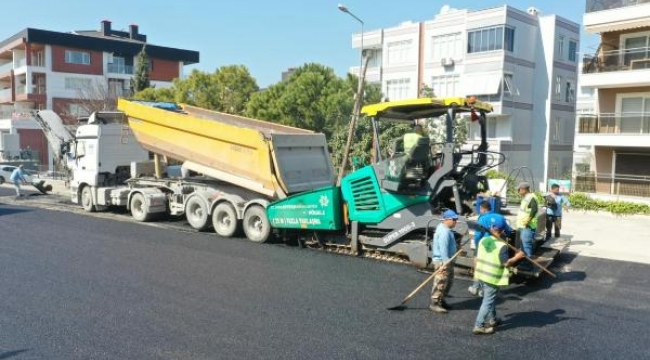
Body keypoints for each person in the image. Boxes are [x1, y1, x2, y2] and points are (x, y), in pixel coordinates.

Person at [472, 218, 525, 335]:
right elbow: (506, 263)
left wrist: (475, 275)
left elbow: (475, 257)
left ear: (492, 228)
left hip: (481, 274)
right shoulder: (502, 246)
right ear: (502, 231)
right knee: (487, 301)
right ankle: (478, 325)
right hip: (492, 277)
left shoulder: (483, 240)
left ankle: (493, 319)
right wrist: (517, 257)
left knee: (489, 299)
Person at [468, 200, 512, 297]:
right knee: (490, 267)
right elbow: (509, 231)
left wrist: (477, 245)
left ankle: (475, 287)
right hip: (498, 245)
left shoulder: (482, 219)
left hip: (485, 244)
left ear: (482, 209)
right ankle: (484, 290)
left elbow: (478, 235)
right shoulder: (500, 217)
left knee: (479, 265)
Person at [430, 209, 459, 314]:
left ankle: (441, 300)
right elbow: (443, 249)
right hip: (443, 261)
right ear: (447, 219)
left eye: (456, 219)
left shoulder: (445, 228)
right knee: (440, 282)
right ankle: (435, 303)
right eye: (454, 219)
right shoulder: (444, 232)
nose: (456, 221)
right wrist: (445, 264)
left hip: (446, 260)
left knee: (448, 281)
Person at [516, 182, 538, 260]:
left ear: (524, 189)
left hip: (528, 226)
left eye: (519, 190)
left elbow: (534, 209)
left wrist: (528, 221)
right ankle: (524, 260)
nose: (518, 191)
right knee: (523, 245)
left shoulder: (531, 197)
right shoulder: (526, 197)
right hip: (522, 225)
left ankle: (528, 262)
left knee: (526, 244)